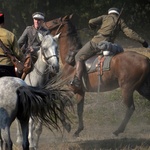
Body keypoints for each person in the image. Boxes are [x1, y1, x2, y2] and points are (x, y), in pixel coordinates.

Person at [71, 7, 149, 89]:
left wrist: (92, 26)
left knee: (78, 56)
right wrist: (143, 42)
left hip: (96, 43)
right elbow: (130, 32)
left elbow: (91, 21)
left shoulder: (105, 17)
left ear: (109, 12)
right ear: (117, 13)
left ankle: (78, 80)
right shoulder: (120, 21)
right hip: (108, 45)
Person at [0, 11, 24, 77]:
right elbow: (18, 54)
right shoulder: (10, 35)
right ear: (3, 23)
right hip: (7, 68)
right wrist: (24, 59)